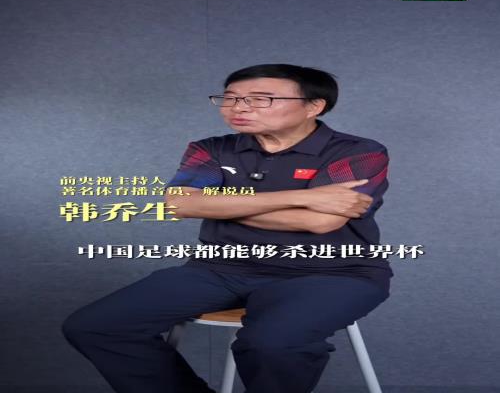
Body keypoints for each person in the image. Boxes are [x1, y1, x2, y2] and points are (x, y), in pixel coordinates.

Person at [62, 63, 393, 393]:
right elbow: (178, 205)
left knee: (272, 343)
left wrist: (218, 205)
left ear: (314, 106)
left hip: (333, 273)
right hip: (220, 269)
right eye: (231, 98)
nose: (239, 107)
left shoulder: (359, 152)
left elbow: (320, 221)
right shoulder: (211, 149)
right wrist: (298, 197)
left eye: (261, 99)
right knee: (97, 326)